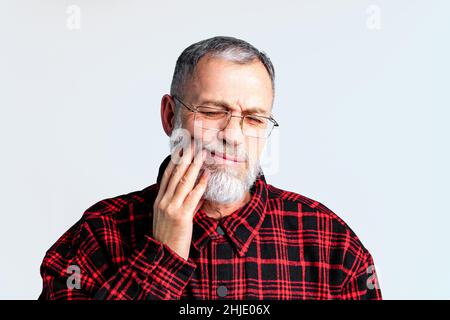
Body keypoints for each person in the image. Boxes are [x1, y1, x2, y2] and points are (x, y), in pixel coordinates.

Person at [39, 36, 381, 300]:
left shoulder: (331, 244)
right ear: (171, 116)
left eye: (253, 118)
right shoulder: (97, 235)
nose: (233, 136)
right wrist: (164, 256)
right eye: (213, 112)